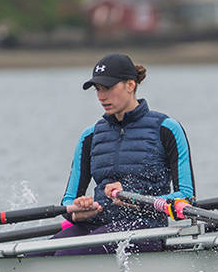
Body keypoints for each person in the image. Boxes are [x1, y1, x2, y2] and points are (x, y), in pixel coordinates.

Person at [56, 53, 196, 253]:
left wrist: (133, 197)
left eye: (108, 88)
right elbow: (68, 201)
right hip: (96, 224)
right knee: (33, 255)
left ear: (130, 85)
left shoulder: (166, 128)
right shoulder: (90, 136)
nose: (101, 96)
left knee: (67, 253)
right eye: (98, 89)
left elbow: (187, 197)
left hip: (146, 228)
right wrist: (77, 212)